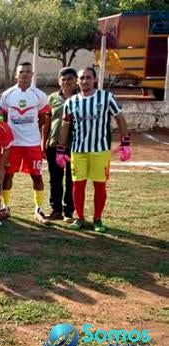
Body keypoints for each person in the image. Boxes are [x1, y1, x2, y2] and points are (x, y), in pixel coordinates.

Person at [57, 67, 130, 232]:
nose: (85, 81)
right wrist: (61, 150)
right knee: (78, 185)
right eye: (82, 78)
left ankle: (97, 219)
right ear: (78, 81)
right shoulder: (71, 102)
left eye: (88, 78)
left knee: (99, 185)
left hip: (100, 151)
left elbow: (120, 118)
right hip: (78, 151)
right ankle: (80, 218)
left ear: (95, 80)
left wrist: (125, 143)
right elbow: (65, 126)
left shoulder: (106, 97)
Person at [0, 62, 51, 224]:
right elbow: (4, 119)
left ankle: (38, 209)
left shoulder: (39, 95)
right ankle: (5, 206)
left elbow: (43, 119)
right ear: (16, 74)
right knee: (8, 175)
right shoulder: (7, 95)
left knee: (36, 176)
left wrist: (41, 140)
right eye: (22, 72)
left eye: (28, 72)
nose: (25, 75)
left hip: (32, 144)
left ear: (32, 74)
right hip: (13, 145)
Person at [45, 67, 78, 222]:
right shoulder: (52, 98)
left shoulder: (81, 98)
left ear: (76, 80)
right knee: (55, 179)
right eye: (63, 79)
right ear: (59, 81)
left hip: (74, 146)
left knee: (72, 180)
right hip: (54, 145)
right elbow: (47, 122)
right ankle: (56, 209)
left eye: (70, 79)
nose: (67, 82)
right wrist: (44, 142)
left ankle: (69, 211)